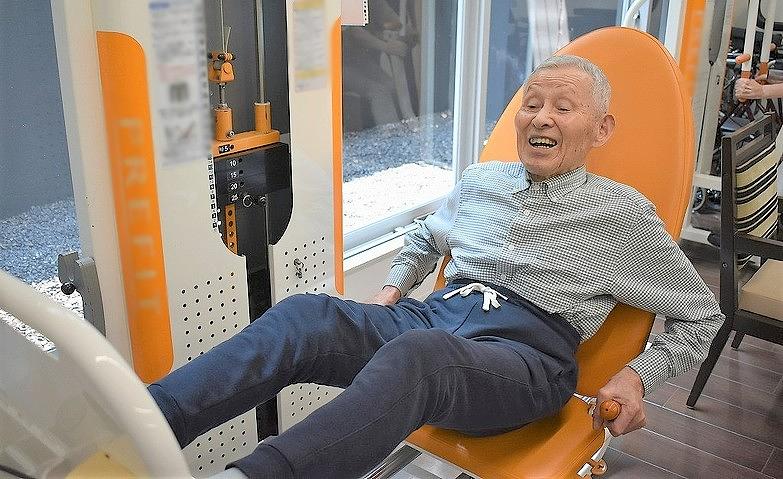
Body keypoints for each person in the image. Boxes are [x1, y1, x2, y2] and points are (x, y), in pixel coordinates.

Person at [149, 55, 724, 479]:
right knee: (305, 316)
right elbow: (427, 235)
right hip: (434, 318)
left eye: (563, 108)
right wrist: (394, 286)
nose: (541, 118)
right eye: (531, 104)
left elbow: (701, 314)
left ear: (602, 130)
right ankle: (146, 420)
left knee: (422, 357)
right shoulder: (481, 181)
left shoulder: (620, 214)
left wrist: (638, 376)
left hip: (526, 358)